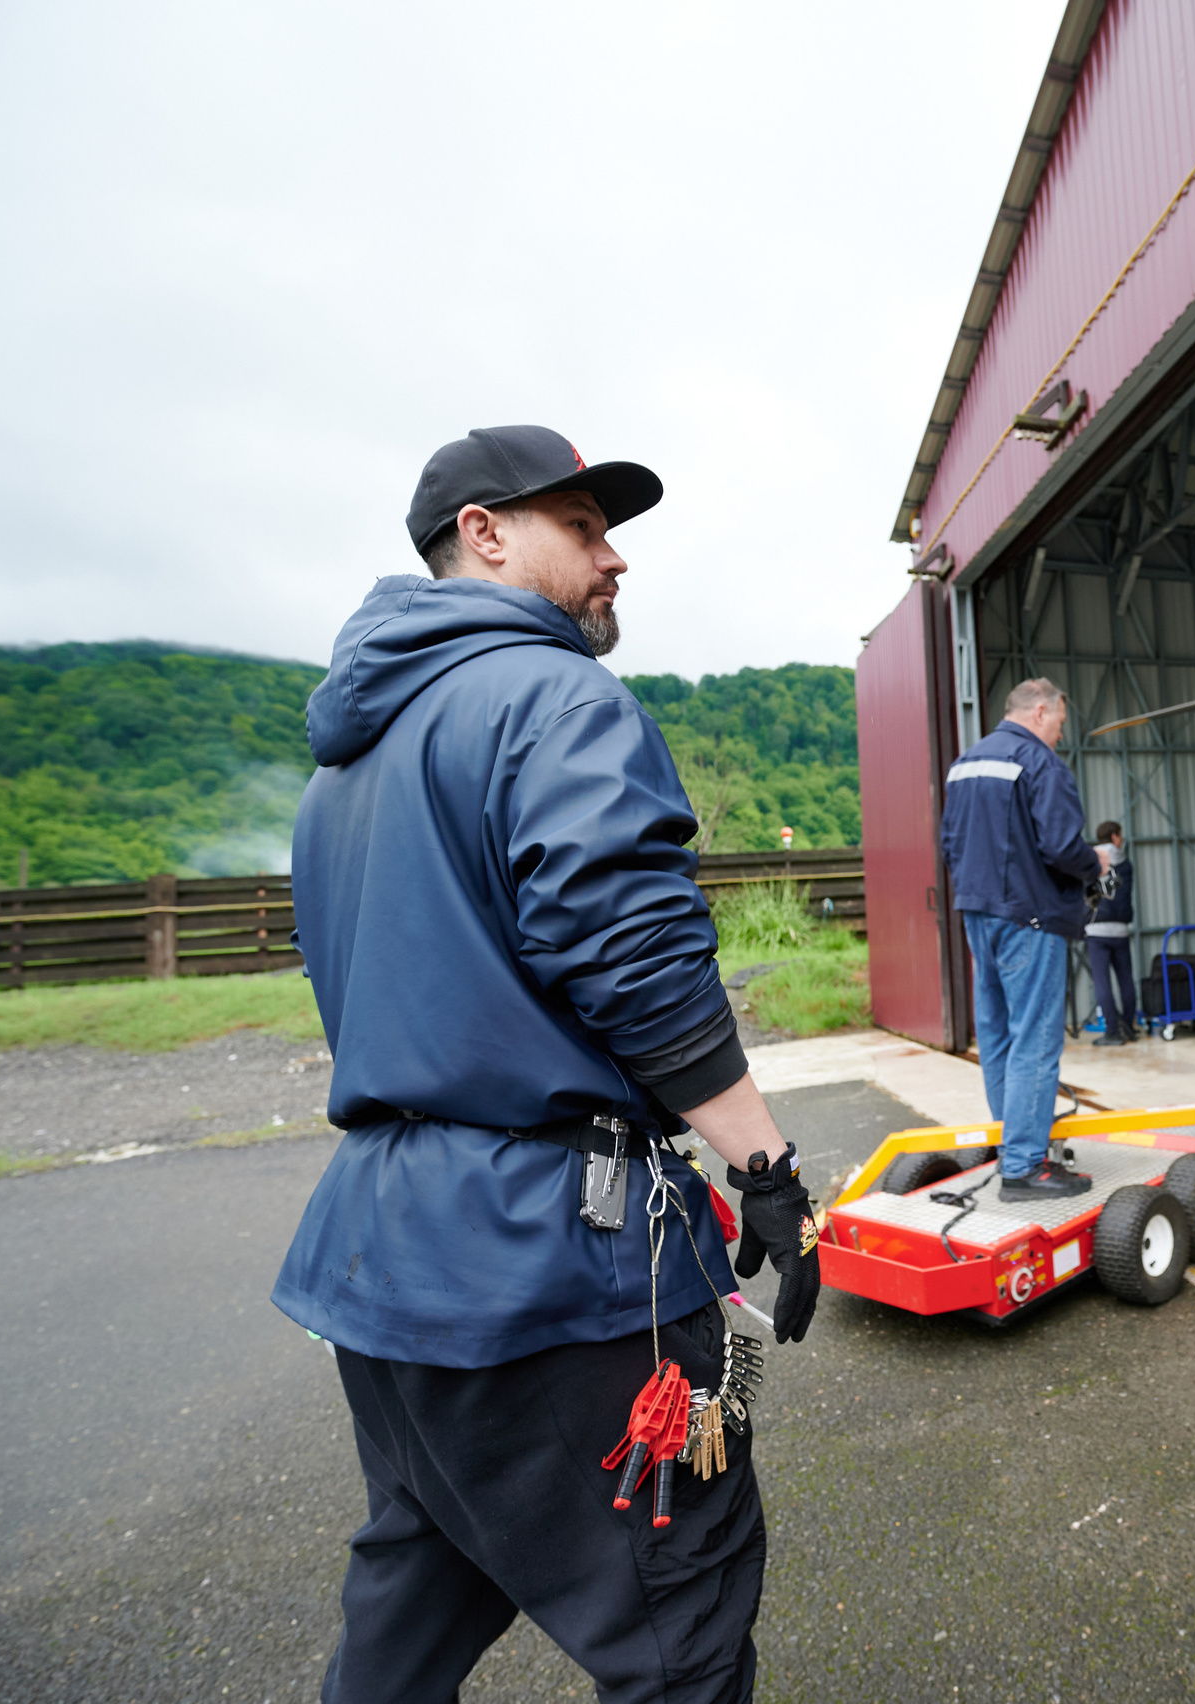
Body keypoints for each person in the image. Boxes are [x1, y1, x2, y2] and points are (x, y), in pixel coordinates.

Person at [272, 424, 820, 1704]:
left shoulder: (342, 768)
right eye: (582, 527)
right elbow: (635, 959)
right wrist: (766, 1165)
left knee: (411, 1605)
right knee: (680, 1622)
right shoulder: (554, 696)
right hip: (552, 1265)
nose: (612, 557)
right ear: (485, 533)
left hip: (386, 1258)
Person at [940, 678, 1103, 1199]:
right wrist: (1093, 862)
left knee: (997, 1038)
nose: (1058, 735)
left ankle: (1014, 1148)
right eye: (1057, 724)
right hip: (1028, 919)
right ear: (1039, 712)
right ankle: (1025, 1167)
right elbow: (1060, 845)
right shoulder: (1040, 764)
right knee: (1035, 1039)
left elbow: (950, 843)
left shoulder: (964, 765)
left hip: (977, 913)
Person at [1085, 821, 1138, 1046]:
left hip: (1096, 929)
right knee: (1126, 979)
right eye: (1120, 836)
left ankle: (1112, 1032)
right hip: (1121, 929)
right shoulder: (1126, 865)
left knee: (1102, 982)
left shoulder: (1090, 861)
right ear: (1114, 837)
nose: (1122, 840)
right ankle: (1129, 1027)